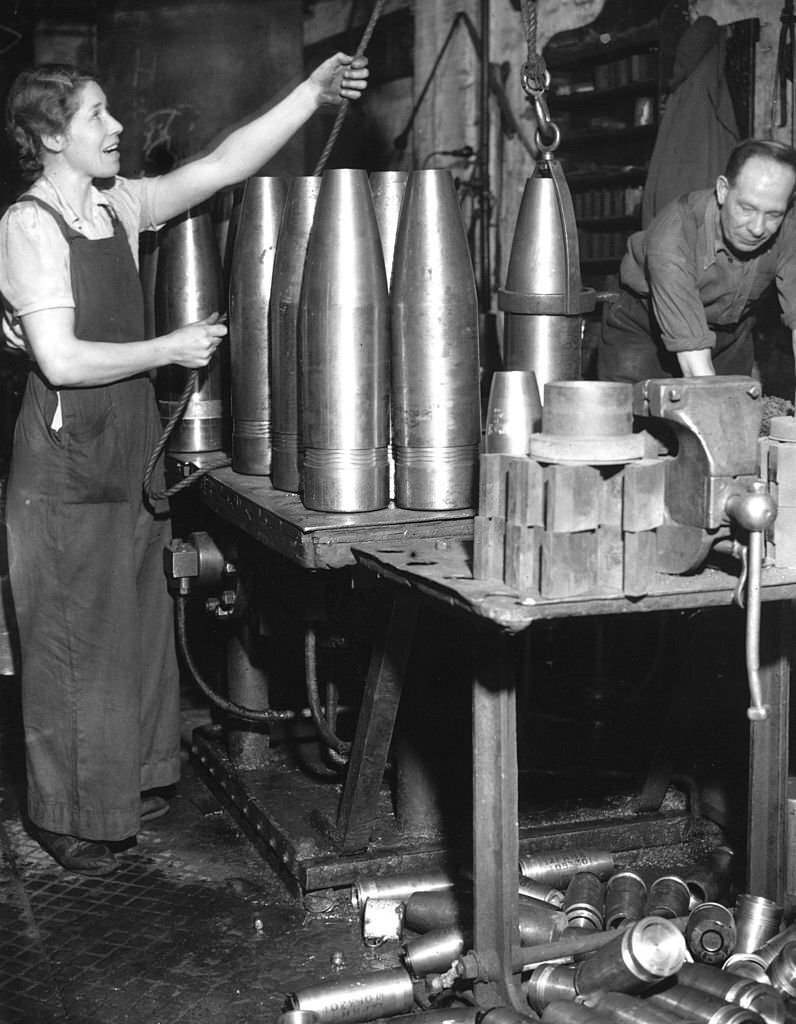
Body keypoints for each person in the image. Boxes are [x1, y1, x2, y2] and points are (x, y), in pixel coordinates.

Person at [0, 53, 369, 876]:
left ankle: (126, 781)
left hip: (127, 444)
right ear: (51, 135)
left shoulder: (116, 205)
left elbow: (223, 164)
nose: (118, 127)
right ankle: (65, 813)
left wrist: (310, 96)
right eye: (97, 115)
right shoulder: (28, 226)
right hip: (63, 462)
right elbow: (58, 358)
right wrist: (170, 347)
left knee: (130, 627)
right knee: (70, 639)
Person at [596, 138, 796, 385]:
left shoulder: (789, 228)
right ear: (723, 190)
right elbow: (696, 368)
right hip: (643, 327)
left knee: (736, 414)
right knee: (631, 416)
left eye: (773, 214)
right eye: (746, 208)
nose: (757, 228)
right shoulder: (675, 233)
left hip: (730, 330)